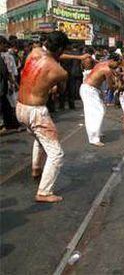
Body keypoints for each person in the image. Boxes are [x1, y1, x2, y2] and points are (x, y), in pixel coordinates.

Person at [14, 31, 72, 203]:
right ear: (60, 49)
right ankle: (44, 192)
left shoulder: (33, 52)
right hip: (36, 112)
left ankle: (36, 169)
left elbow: (35, 78)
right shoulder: (59, 71)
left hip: (20, 107)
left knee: (39, 140)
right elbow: (59, 91)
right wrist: (51, 88)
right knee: (56, 154)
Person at [79, 53, 121, 147]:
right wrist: (118, 85)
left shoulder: (101, 63)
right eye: (117, 63)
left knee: (101, 109)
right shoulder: (107, 70)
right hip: (89, 90)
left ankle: (97, 132)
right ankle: (93, 138)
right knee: (96, 112)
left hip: (91, 89)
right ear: (112, 61)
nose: (117, 66)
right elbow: (110, 86)